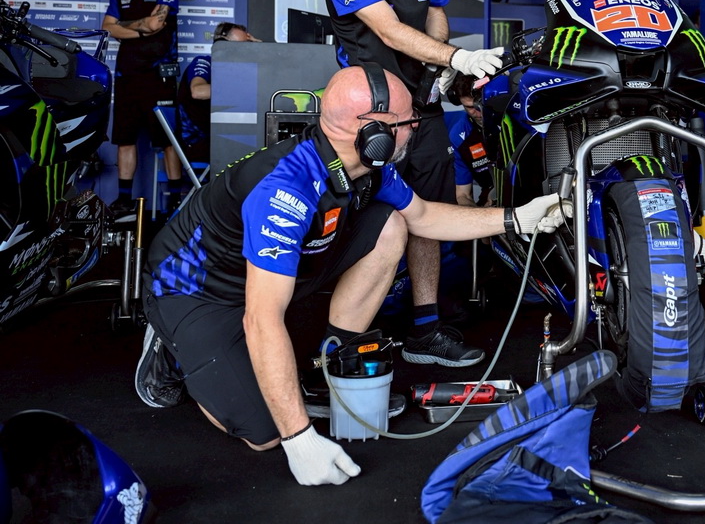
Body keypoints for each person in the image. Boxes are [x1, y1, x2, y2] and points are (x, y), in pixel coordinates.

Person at [134, 65, 565, 486]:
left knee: (392, 223)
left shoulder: (367, 166)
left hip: (271, 275)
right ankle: (171, 349)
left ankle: (330, 362)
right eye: (408, 122)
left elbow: (424, 217)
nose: (416, 129)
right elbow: (261, 319)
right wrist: (300, 440)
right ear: (374, 132)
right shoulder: (284, 190)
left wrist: (517, 218)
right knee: (265, 433)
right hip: (197, 292)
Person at [317, 0, 505, 368]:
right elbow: (389, 29)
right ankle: (342, 337)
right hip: (369, 114)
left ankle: (426, 329)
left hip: (423, 107)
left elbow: (434, 13)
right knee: (363, 219)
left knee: (429, 213)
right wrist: (458, 58)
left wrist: (442, 66)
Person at [101, 0, 182, 214]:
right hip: (127, 73)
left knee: (167, 141)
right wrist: (140, 29)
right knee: (124, 139)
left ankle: (175, 200)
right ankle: (124, 201)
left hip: (158, 74)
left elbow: (156, 23)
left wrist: (126, 27)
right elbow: (107, 27)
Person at [177, 22, 260, 164]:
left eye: (247, 45)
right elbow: (197, 91)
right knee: (260, 149)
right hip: (199, 142)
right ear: (221, 44)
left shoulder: (236, 71)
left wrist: (261, 47)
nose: (244, 50)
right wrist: (239, 88)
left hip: (222, 138)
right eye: (240, 46)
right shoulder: (204, 62)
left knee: (266, 141)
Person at [448, 74, 493, 207]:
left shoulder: (516, 116)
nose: (478, 113)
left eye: (481, 104)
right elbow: (462, 195)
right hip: (491, 197)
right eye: (470, 107)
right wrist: (483, 214)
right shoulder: (459, 136)